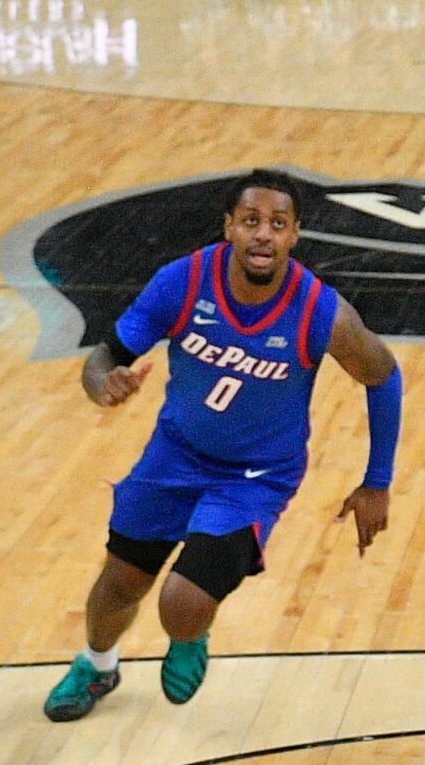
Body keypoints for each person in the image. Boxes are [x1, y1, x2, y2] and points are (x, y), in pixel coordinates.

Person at [41, 170, 402, 722]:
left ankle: (189, 637)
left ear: (294, 235)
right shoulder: (182, 282)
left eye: (277, 224)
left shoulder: (318, 310)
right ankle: (97, 665)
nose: (263, 235)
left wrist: (376, 481)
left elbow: (383, 375)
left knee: (180, 605)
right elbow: (104, 358)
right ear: (229, 227)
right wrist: (103, 386)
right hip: (174, 455)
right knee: (119, 583)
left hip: (256, 477)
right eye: (251, 221)